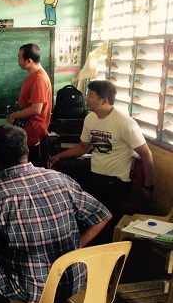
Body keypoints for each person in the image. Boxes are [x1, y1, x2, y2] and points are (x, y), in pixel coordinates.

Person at [0, 124, 112, 303]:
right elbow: (103, 216)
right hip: (72, 282)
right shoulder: (60, 179)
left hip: (30, 290)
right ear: (26, 150)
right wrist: (76, 246)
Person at [49, 80, 154, 221]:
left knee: (74, 194)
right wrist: (59, 156)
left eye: (91, 95)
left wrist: (148, 187)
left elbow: (146, 154)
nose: (86, 99)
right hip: (95, 173)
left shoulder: (124, 123)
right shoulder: (90, 118)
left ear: (104, 100)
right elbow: (83, 147)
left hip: (117, 182)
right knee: (61, 182)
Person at [7, 43, 52, 168]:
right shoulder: (33, 76)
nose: (18, 60)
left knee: (35, 168)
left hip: (35, 133)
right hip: (28, 131)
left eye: (19, 57)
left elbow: (36, 109)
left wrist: (14, 115)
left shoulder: (39, 79)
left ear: (29, 61)